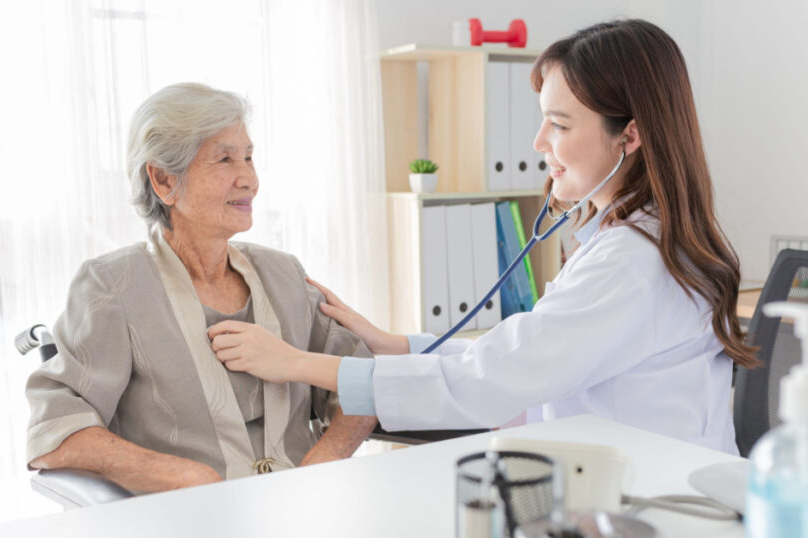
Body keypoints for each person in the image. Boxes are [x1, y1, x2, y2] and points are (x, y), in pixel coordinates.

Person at [207, 19, 758, 455]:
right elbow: (526, 354)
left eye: (561, 125)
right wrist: (394, 343)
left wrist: (295, 364)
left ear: (630, 135)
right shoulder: (633, 240)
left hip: (652, 506)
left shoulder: (632, 264)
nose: (539, 140)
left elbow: (493, 380)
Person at [25, 83, 377, 493]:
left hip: (307, 509)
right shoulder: (112, 287)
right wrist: (190, 478)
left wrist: (322, 464)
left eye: (248, 157)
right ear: (162, 180)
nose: (249, 179)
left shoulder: (283, 273)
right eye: (224, 159)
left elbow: (364, 381)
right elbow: (56, 428)